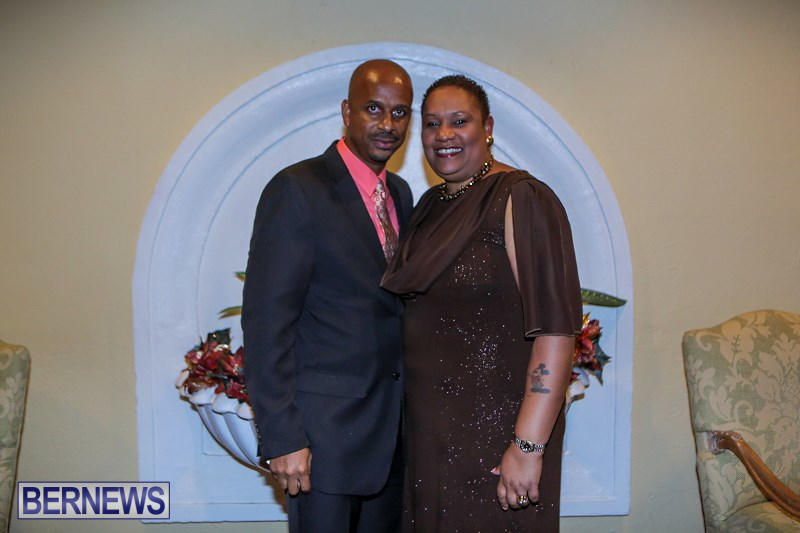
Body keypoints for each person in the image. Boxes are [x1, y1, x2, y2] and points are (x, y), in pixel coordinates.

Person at [382, 75, 582, 532]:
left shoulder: (522, 198)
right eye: (432, 123)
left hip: (498, 440)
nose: (444, 135)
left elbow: (555, 331)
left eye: (459, 121)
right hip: (429, 438)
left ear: (487, 127)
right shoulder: (429, 207)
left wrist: (527, 447)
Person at [242, 59, 414, 533]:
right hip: (322, 444)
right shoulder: (297, 190)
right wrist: (282, 437)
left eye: (400, 112)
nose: (387, 124)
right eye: (373, 109)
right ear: (346, 111)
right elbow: (266, 325)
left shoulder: (400, 195)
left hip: (390, 440)